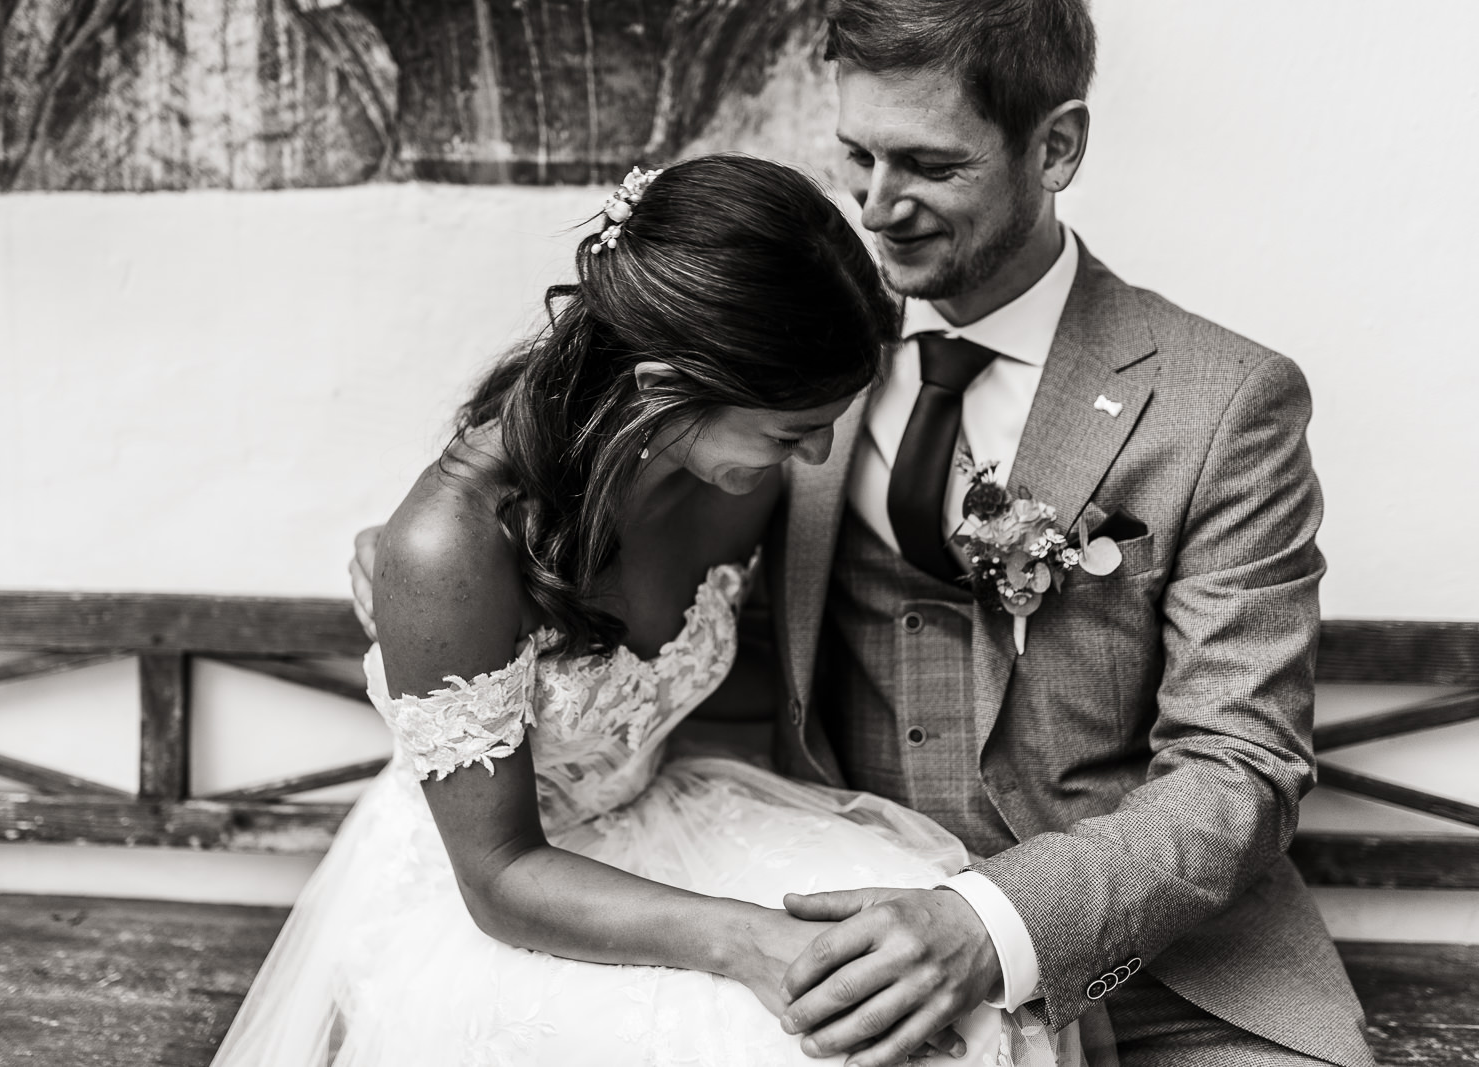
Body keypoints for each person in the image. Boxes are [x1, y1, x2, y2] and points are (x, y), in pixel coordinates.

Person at [352, 2, 1380, 1064]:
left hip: (1154, 951)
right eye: (855, 156)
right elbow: (559, 521)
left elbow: (1238, 762)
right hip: (821, 878)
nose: (879, 210)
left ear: (1056, 145)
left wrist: (996, 925)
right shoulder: (782, 348)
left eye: (930, 166)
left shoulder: (1223, 401)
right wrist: (436, 578)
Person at [215, 154, 1086, 1067]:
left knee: (964, 988)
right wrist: (751, 940)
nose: (818, 451)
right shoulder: (451, 546)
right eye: (793, 430)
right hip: (509, 893)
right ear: (663, 385)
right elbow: (500, 876)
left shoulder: (734, 470)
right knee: (808, 1043)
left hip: (671, 823)